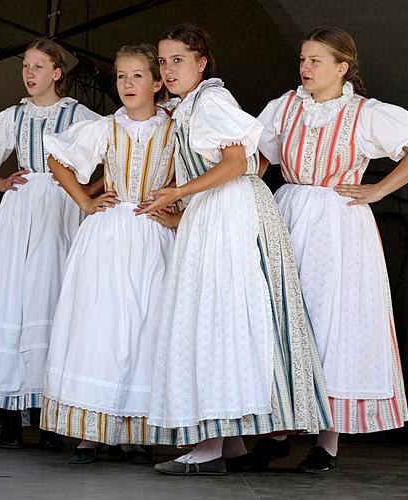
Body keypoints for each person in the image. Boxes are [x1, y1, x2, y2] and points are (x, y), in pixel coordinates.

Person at [136, 24, 332, 475]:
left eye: (178, 60)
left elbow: (240, 162)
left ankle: (209, 451)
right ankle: (231, 447)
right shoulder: (190, 107)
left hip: (233, 219)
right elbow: (243, 162)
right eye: (163, 62)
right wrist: (183, 211)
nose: (168, 70)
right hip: (215, 214)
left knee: (222, 322)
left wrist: (178, 192)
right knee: (216, 323)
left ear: (201, 62)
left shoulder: (211, 101)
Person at [256, 26, 408, 473]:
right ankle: (277, 430)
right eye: (303, 59)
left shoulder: (365, 113)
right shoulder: (284, 107)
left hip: (339, 222)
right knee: (281, 315)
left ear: (342, 68)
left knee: (333, 318)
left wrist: (380, 189)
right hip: (290, 210)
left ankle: (328, 439)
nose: (305, 68)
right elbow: (256, 156)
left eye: (316, 61)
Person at [0, 38, 101, 449]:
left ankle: (49, 414)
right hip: (19, 210)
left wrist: (87, 191)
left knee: (51, 297)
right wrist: (0, 182)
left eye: (39, 66)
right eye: (26, 66)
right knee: (11, 298)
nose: (30, 73)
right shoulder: (15, 116)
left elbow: (116, 148)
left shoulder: (78, 115)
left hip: (60, 205)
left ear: (58, 74)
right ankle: (10, 415)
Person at [41, 44, 179, 464]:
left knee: (146, 326)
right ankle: (92, 432)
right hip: (109, 233)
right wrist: (85, 201)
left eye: (137, 76)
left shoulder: (176, 129)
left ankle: (136, 431)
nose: (127, 84)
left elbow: (209, 173)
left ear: (158, 82)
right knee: (99, 327)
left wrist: (176, 217)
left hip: (153, 235)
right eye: (121, 76)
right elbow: (57, 158)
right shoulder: (105, 127)